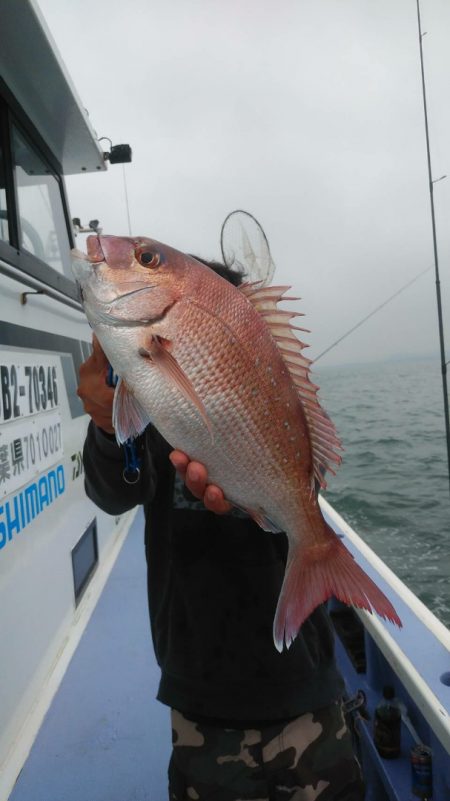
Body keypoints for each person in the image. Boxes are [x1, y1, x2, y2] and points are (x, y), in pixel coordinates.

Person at [78, 257, 364, 801]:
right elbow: (111, 493)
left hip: (303, 681)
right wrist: (104, 425)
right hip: (199, 687)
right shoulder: (154, 401)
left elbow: (297, 475)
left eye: (146, 258)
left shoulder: (258, 393)